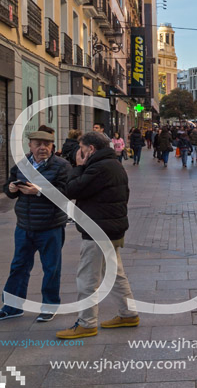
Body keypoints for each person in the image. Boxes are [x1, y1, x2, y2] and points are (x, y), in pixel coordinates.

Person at [55, 131, 138, 339]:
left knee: (87, 278)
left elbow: (71, 190)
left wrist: (79, 166)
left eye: (81, 148)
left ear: (90, 149)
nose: (79, 153)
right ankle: (128, 313)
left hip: (98, 229)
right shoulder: (113, 164)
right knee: (115, 273)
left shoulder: (98, 168)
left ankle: (86, 323)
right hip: (110, 227)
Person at [0, 128, 69, 322]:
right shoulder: (22, 164)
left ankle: (49, 305)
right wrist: (12, 188)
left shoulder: (62, 166)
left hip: (50, 226)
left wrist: (39, 191)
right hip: (24, 226)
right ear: (30, 146)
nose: (42, 148)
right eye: (38, 144)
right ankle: (12, 307)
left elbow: (66, 192)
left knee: (51, 268)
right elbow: (9, 188)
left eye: (47, 144)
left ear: (52, 146)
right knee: (18, 266)